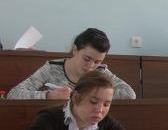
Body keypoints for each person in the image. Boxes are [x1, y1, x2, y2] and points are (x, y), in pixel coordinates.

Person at [16, 71, 144, 130]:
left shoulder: (105, 121)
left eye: (106, 104)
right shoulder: (50, 118)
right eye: (93, 102)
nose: (100, 110)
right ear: (76, 97)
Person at [8, 28, 136, 100]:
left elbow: (129, 94)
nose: (91, 66)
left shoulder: (100, 72)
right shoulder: (52, 68)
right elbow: (14, 94)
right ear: (75, 50)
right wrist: (48, 95)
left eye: (97, 62)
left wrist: (88, 96)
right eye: (87, 59)